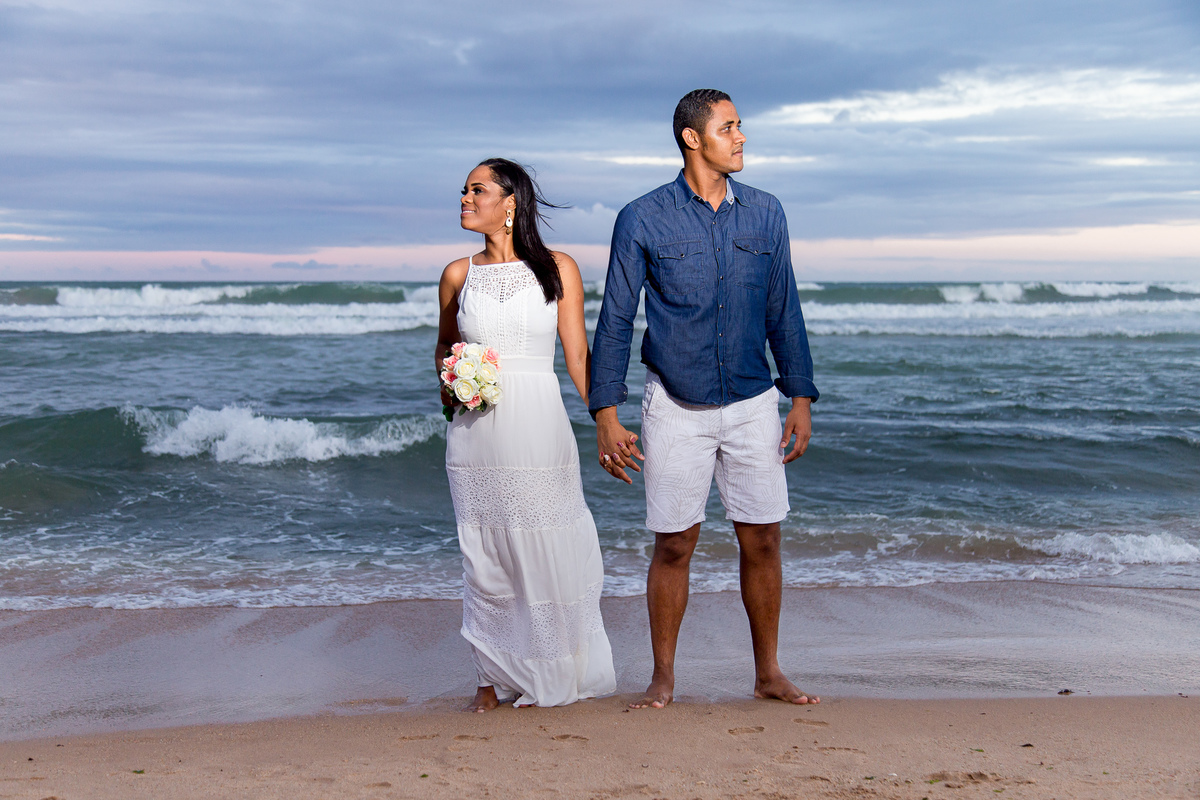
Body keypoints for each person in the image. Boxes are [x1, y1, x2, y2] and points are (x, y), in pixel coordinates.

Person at [589, 89, 820, 709]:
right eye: (729, 127)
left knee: (763, 537)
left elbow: (784, 309)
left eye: (740, 126)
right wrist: (605, 414)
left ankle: (768, 672)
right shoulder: (642, 217)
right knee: (674, 541)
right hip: (674, 403)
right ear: (693, 138)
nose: (741, 137)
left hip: (752, 400)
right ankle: (663, 676)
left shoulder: (767, 213)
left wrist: (799, 395)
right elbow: (614, 319)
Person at [436, 158, 616, 711]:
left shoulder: (558, 268)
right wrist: (456, 385)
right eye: (464, 191)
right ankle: (489, 676)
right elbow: (444, 352)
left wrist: (605, 420)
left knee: (545, 540)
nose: (465, 198)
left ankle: (553, 663)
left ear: (509, 202)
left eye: (477, 190)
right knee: (485, 554)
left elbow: (578, 358)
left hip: (538, 424)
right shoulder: (456, 274)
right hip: (476, 435)